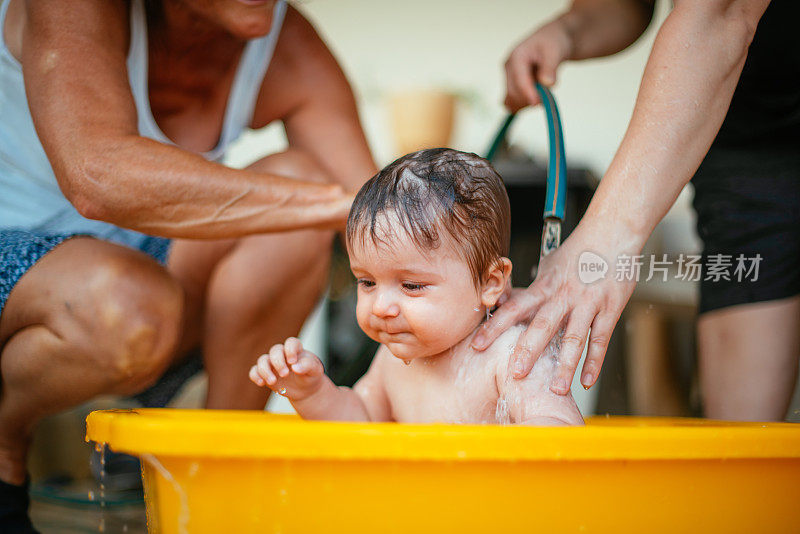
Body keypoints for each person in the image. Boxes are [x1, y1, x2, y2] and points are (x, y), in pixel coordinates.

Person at [0, 0, 376, 529]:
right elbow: (99, 177)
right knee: (129, 304)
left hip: (146, 280)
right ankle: (5, 447)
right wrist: (336, 204)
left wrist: (480, 315)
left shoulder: (285, 40)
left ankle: (210, 479)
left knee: (299, 199)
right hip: (22, 264)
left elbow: (381, 221)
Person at [474, 0, 799, 421]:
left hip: (733, 77)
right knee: (741, 437)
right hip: (743, 134)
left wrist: (607, 235)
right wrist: (568, 30)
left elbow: (718, 12)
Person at [249, 149, 584, 426]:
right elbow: (361, 422)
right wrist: (311, 393)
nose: (381, 306)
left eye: (410, 285)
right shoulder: (393, 361)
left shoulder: (511, 354)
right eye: (367, 282)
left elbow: (560, 429)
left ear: (490, 282)